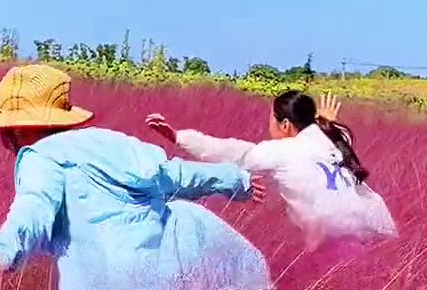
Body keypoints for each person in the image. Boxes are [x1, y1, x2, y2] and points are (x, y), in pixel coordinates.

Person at [0, 65, 272, 290]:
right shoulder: (110, 143)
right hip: (165, 271)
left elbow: (33, 208)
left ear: (17, 129)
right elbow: (175, 175)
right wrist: (235, 179)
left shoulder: (38, 157)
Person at [145, 90, 396, 248]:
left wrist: (177, 136)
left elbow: (230, 151)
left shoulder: (284, 150)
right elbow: (339, 135)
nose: (270, 126)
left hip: (337, 246)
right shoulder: (334, 146)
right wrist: (325, 122)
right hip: (373, 233)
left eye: (272, 120)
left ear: (285, 124)